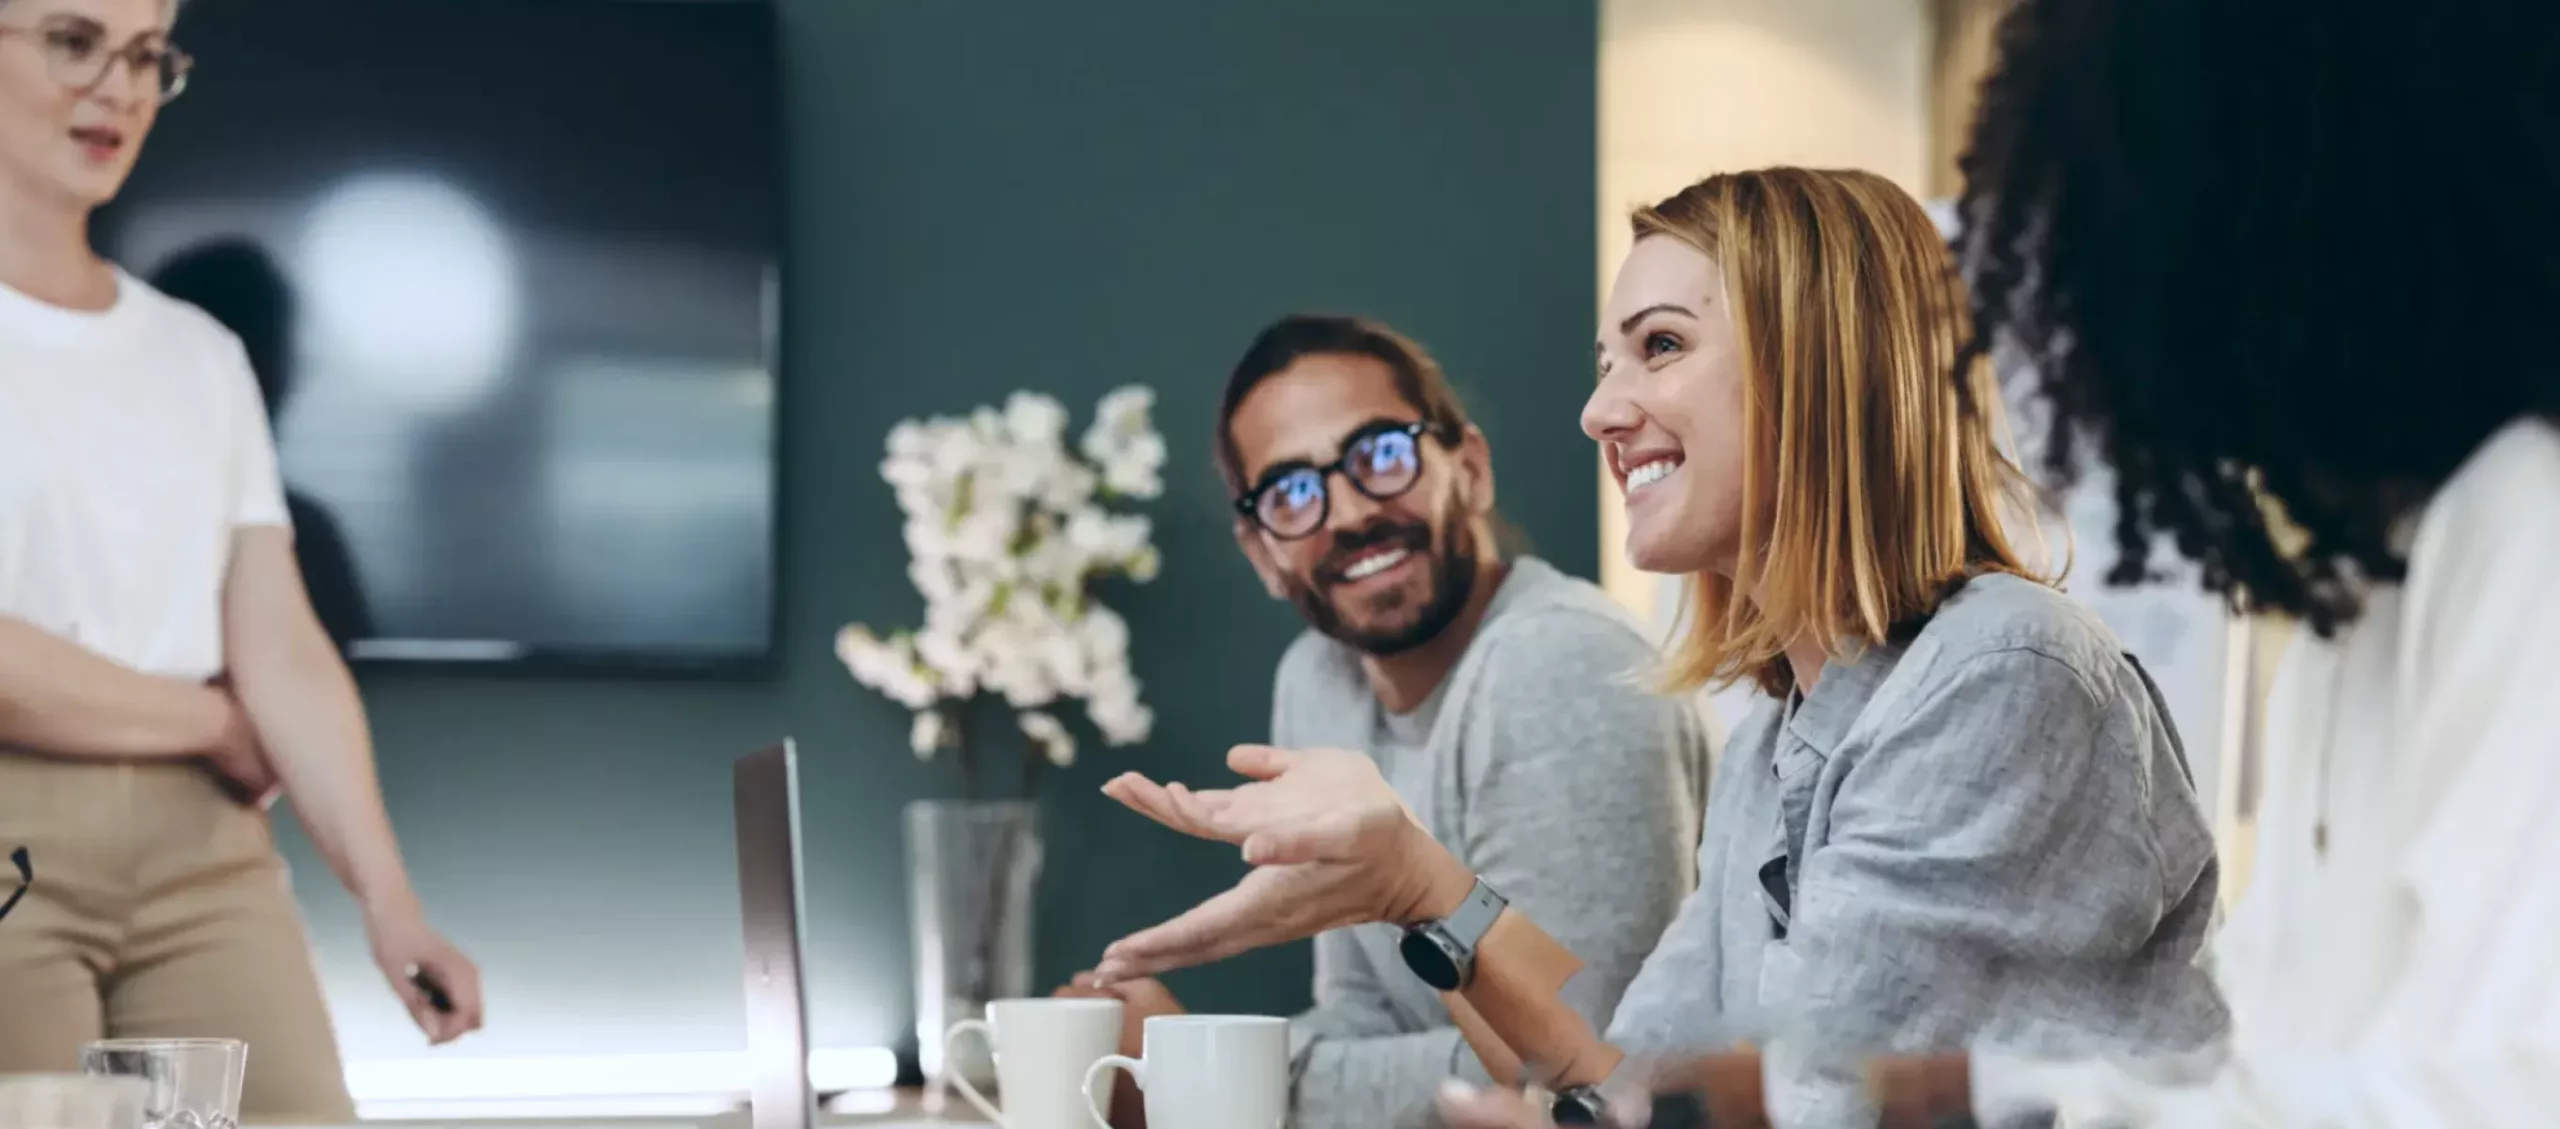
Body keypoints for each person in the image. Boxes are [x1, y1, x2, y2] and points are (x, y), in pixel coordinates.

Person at [1085, 168, 2230, 1127]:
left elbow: (1816, 1103)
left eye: (1661, 346)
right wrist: (1414, 884)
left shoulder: (2002, 676)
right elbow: (1624, 1081)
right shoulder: (1772, 739)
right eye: (1605, 363)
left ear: (1815, 365)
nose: (1598, 412)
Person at [1920, 0, 2560, 1121]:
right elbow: (2260, 1033)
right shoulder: (2359, 589)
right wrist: (1949, 1083)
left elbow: (2511, 1090)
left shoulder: (2525, 520)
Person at [0, 0, 484, 1119]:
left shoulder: (200, 357)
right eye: (74, 41)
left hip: (206, 855)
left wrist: (389, 898)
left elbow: (283, 647)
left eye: (144, 57)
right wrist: (208, 721)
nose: (118, 88)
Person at [1061, 314, 1713, 1129]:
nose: (1346, 513)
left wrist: (1204, 1069)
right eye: (1293, 492)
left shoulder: (1562, 664)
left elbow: (1571, 1074)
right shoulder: (1317, 679)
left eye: (1378, 454)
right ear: (1262, 553)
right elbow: (1365, 1014)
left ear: (1469, 468)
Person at [148, 237, 376, 654]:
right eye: (276, 354)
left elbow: (362, 686)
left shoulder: (303, 535)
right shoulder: (105, 519)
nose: (293, 381)